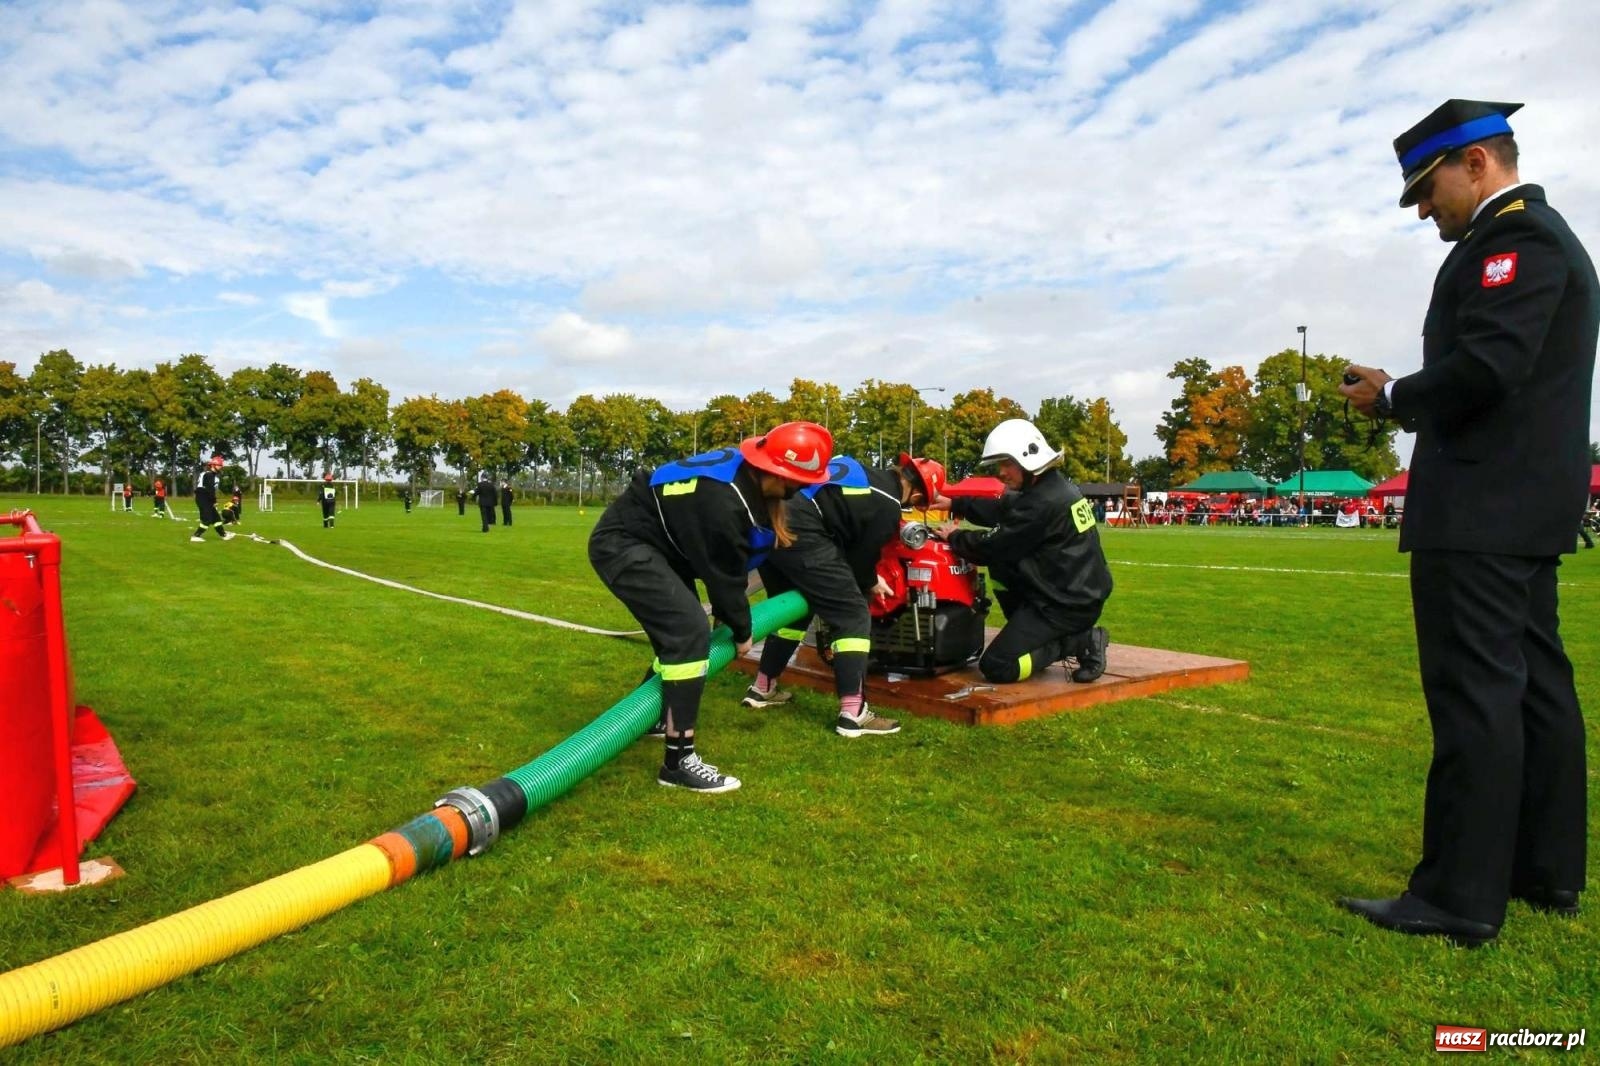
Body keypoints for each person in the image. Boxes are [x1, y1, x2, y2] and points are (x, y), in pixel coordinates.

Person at [1338, 99, 1596, 945]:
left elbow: (1490, 365)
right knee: (1536, 690)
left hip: (1482, 507)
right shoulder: (1544, 238)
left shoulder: (1514, 241)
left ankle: (1458, 894)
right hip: (1523, 505)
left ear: (1477, 162)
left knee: (1476, 698)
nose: (1422, 208)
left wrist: (1395, 397)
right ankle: (1543, 872)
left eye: (1428, 186)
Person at [588, 421, 833, 793]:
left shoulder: (742, 480)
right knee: (689, 634)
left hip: (661, 546)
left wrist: (733, 615)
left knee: (681, 640)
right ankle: (678, 762)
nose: (801, 489)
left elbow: (727, 566)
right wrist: (741, 629)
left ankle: (655, 718)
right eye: (800, 481)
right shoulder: (723, 500)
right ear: (778, 474)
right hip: (624, 543)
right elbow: (724, 577)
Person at [745, 452, 946, 737]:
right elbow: (861, 561)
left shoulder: (865, 475)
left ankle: (763, 688)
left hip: (772, 520)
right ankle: (853, 713)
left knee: (792, 611)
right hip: (802, 530)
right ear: (915, 498)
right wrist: (870, 582)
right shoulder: (888, 503)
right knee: (852, 614)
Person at [935, 419, 1113, 684]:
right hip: (1070, 595)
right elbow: (1004, 510)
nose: (1001, 472)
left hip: (1063, 606)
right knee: (1003, 566)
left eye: (1007, 464)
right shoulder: (1051, 488)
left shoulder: (1042, 502)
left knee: (998, 665)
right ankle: (1041, 634)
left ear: (1027, 459)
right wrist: (955, 504)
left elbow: (993, 546)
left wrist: (956, 536)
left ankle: (1079, 641)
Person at [190, 453, 232, 542]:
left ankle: (223, 535)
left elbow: (210, 489)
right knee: (207, 519)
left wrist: (212, 500)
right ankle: (196, 536)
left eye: (221, 465)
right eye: (219, 465)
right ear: (213, 465)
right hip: (203, 498)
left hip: (206, 498)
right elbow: (209, 489)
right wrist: (214, 500)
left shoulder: (211, 475)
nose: (221, 467)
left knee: (216, 518)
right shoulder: (209, 475)